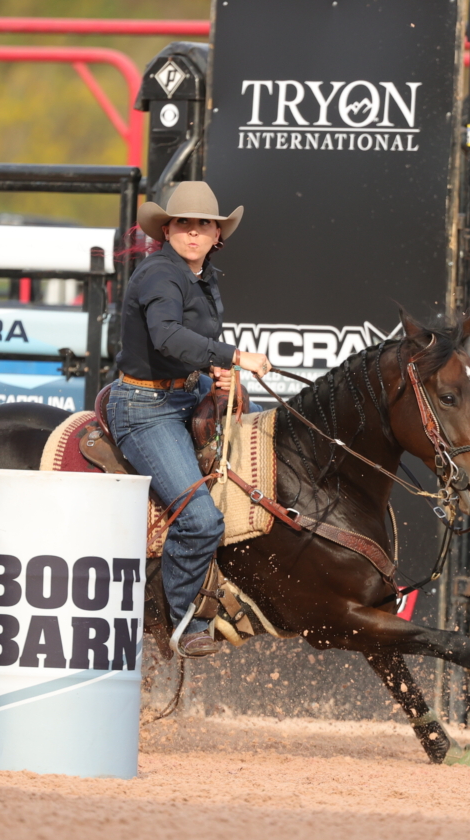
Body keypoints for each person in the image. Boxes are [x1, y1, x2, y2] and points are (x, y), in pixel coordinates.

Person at [108, 181, 272, 658]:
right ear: (167, 229)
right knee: (201, 518)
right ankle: (182, 621)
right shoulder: (160, 274)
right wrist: (236, 357)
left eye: (204, 225)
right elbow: (166, 338)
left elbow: (187, 347)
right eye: (184, 224)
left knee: (258, 427)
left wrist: (217, 374)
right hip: (144, 408)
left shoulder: (201, 274)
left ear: (217, 233)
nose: (194, 232)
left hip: (185, 390)